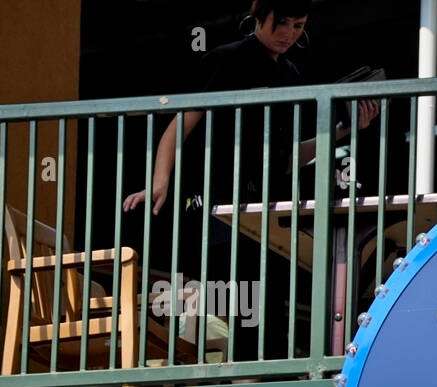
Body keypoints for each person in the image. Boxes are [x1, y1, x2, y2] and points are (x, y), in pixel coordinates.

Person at [123, 1, 377, 361]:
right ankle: (241, 375)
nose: (289, 34)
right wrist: (160, 180)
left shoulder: (290, 73)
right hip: (220, 202)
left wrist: (345, 131)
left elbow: (285, 160)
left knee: (270, 301)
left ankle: (263, 376)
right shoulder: (225, 59)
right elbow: (180, 124)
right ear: (259, 18)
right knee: (244, 295)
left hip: (267, 209)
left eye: (299, 25)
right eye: (282, 24)